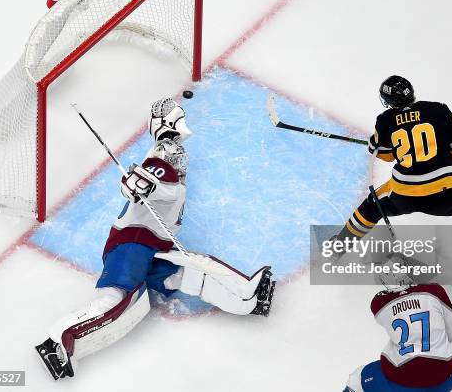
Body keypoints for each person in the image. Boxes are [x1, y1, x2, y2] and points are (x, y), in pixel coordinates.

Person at [35, 98, 275, 380]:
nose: (180, 153)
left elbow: (160, 186)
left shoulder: (170, 165)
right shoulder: (162, 159)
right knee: (117, 296)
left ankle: (248, 298)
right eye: (175, 136)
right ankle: (59, 342)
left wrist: (147, 185)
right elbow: (148, 181)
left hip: (152, 247)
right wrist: (142, 184)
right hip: (133, 243)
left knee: (190, 271)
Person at [333, 75, 452, 283]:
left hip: (403, 193)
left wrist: (386, 145)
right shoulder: (439, 110)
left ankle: (337, 248)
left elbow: (383, 155)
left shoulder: (385, 120)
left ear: (387, 101)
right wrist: (438, 151)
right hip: (446, 194)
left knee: (371, 206)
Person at [343, 274, 452, 392]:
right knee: (446, 357)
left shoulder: (379, 303)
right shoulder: (434, 291)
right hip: (447, 378)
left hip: (404, 383)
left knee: (358, 378)